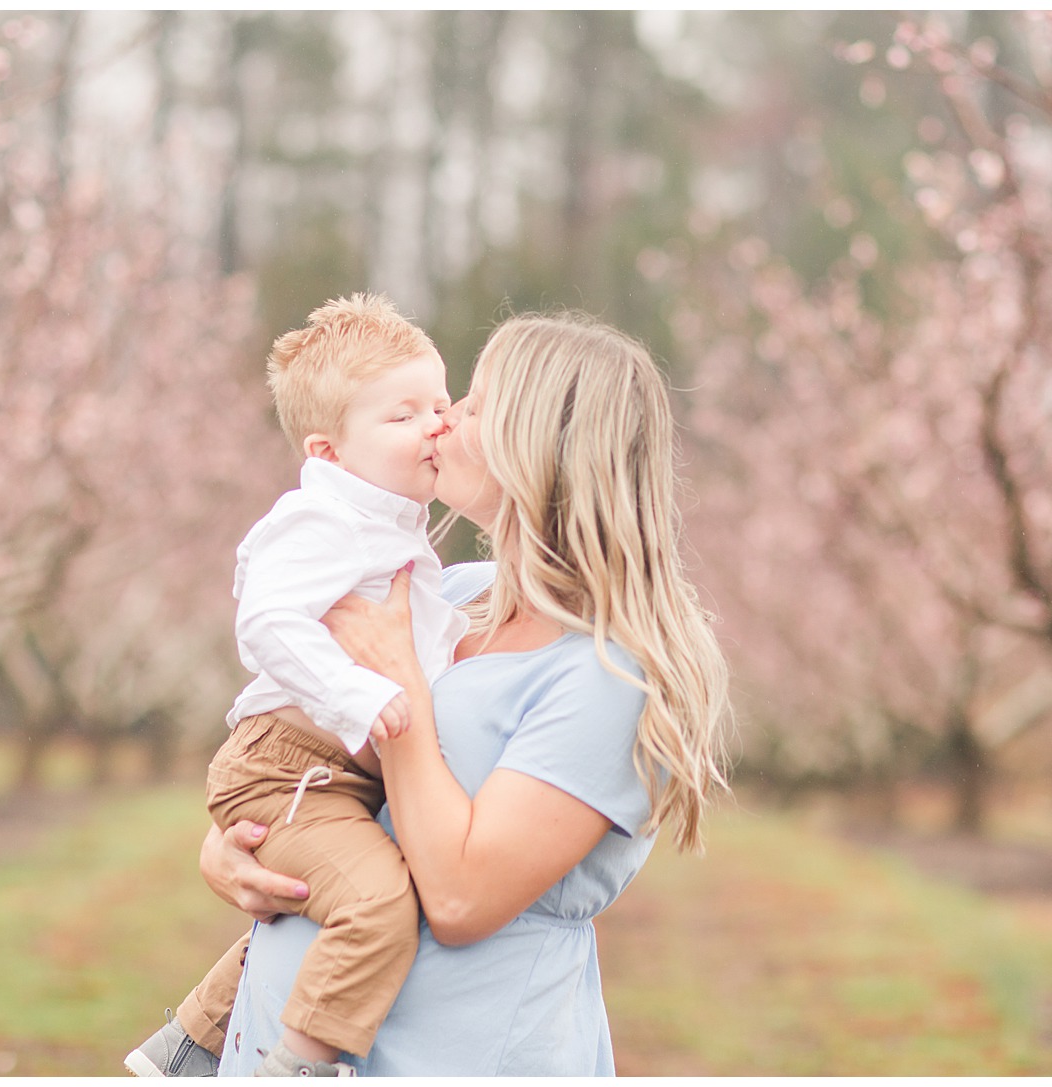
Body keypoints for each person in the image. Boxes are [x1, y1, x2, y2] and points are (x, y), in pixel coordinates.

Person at [153, 310, 731, 1076]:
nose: (445, 420)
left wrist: (403, 701)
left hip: (452, 1050)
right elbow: (308, 749)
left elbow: (459, 899)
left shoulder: (607, 674)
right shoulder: (446, 595)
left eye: (476, 404)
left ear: (540, 448)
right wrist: (230, 851)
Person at [125, 294, 465, 1077]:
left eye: (442, 404)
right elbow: (268, 623)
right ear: (330, 451)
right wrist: (356, 693)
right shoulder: (321, 520)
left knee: (331, 897)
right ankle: (299, 1064)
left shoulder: (392, 524)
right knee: (376, 902)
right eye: (404, 414)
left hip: (331, 768)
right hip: (292, 762)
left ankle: (187, 1046)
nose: (436, 425)